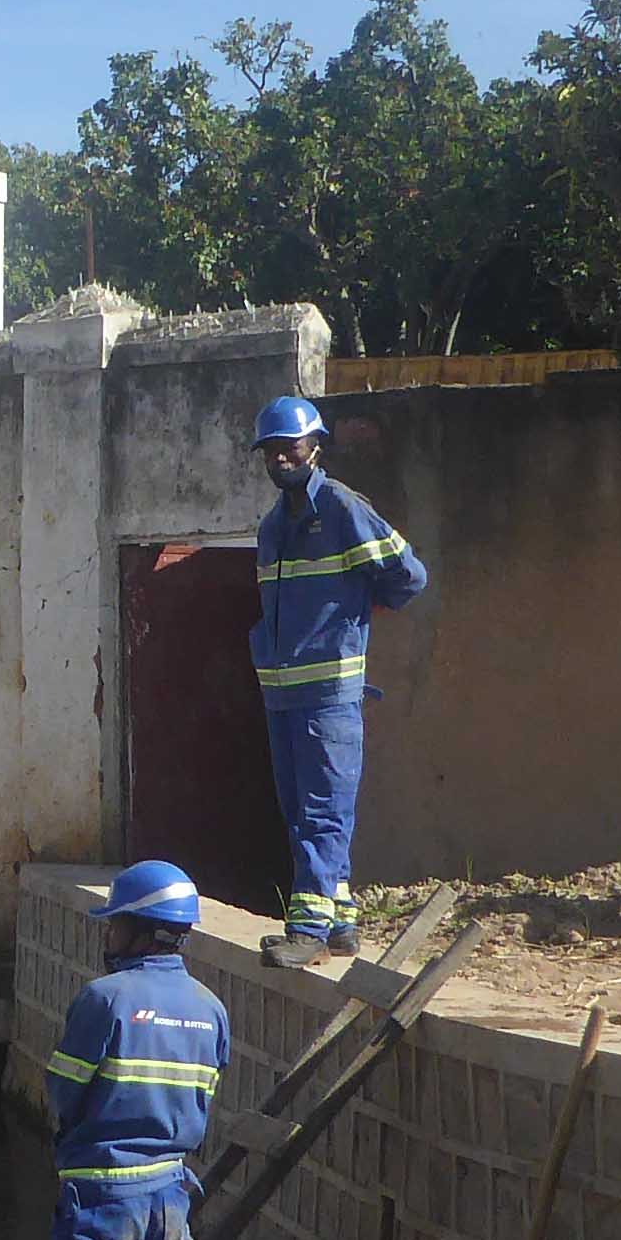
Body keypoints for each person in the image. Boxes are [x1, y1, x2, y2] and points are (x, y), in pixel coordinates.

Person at [19, 859, 233, 1240]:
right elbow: (204, 1100)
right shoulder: (210, 1009)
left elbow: (61, 1095)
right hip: (171, 1199)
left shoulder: (103, 1000)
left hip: (102, 1199)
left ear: (139, 931)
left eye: (113, 927)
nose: (107, 939)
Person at [247, 397, 429, 960]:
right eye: (271, 451)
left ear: (315, 447)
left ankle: (307, 932)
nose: (281, 459)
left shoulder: (344, 507)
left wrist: (363, 609)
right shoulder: (274, 526)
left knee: (324, 810)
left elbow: (409, 575)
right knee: (300, 811)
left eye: (291, 449)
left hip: (329, 695)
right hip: (282, 694)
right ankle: (341, 920)